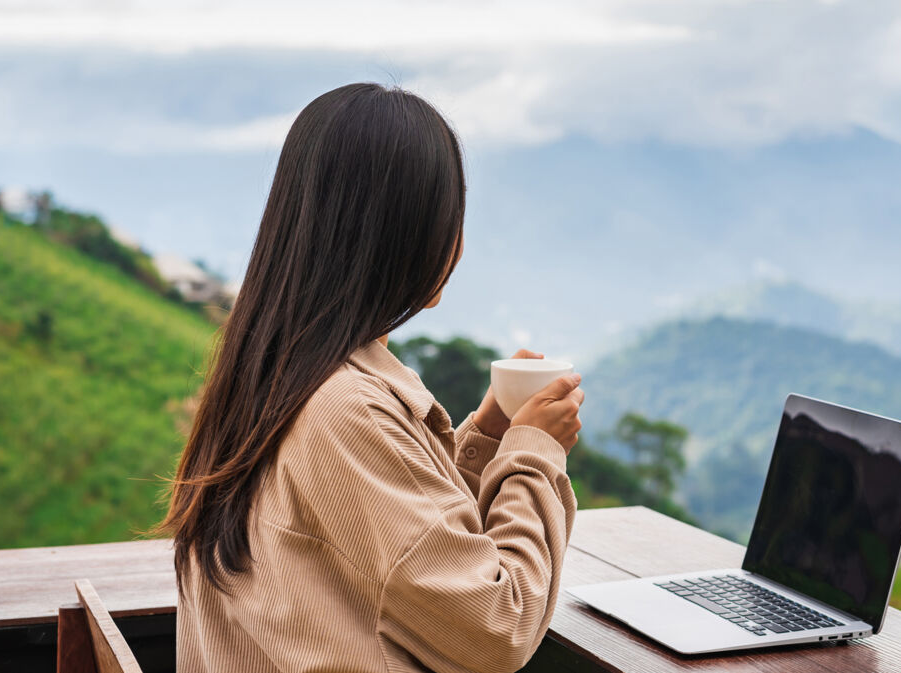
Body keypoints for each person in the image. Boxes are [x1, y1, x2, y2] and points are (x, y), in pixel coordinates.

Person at [159, 83, 584, 673]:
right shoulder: (347, 409)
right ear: (410, 235)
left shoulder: (273, 374)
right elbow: (498, 626)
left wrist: (487, 440)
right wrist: (536, 455)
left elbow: (381, 542)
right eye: (450, 214)